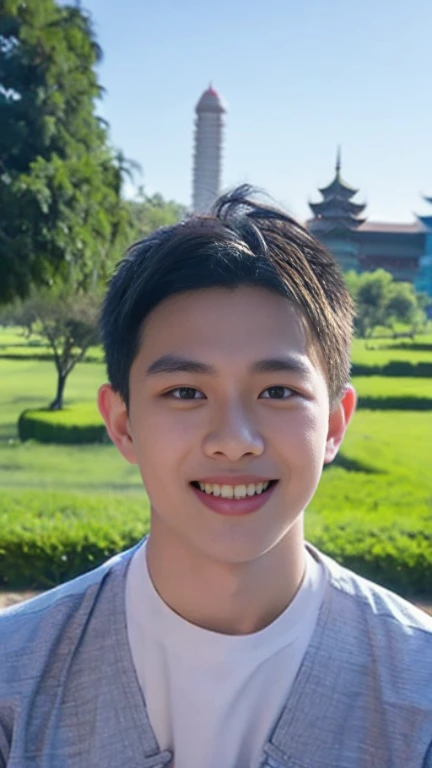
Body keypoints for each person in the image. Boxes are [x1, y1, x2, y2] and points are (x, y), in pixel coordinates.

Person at [0, 186, 431, 768]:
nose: (234, 441)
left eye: (278, 391)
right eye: (185, 392)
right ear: (123, 423)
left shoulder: (417, 694)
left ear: (334, 423)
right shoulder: (15, 682)